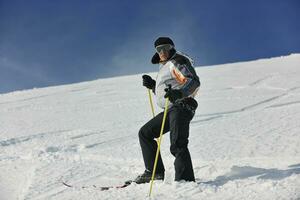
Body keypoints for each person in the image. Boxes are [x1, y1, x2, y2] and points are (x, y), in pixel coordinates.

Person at [134, 37, 200, 184]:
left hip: (182, 105)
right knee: (145, 133)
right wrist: (153, 86)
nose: (162, 51)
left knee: (177, 143)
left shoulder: (177, 61)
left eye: (165, 47)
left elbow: (192, 81)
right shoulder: (164, 67)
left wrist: (180, 93)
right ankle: (154, 172)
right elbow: (169, 91)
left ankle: (185, 180)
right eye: (159, 49)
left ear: (172, 48)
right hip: (170, 109)